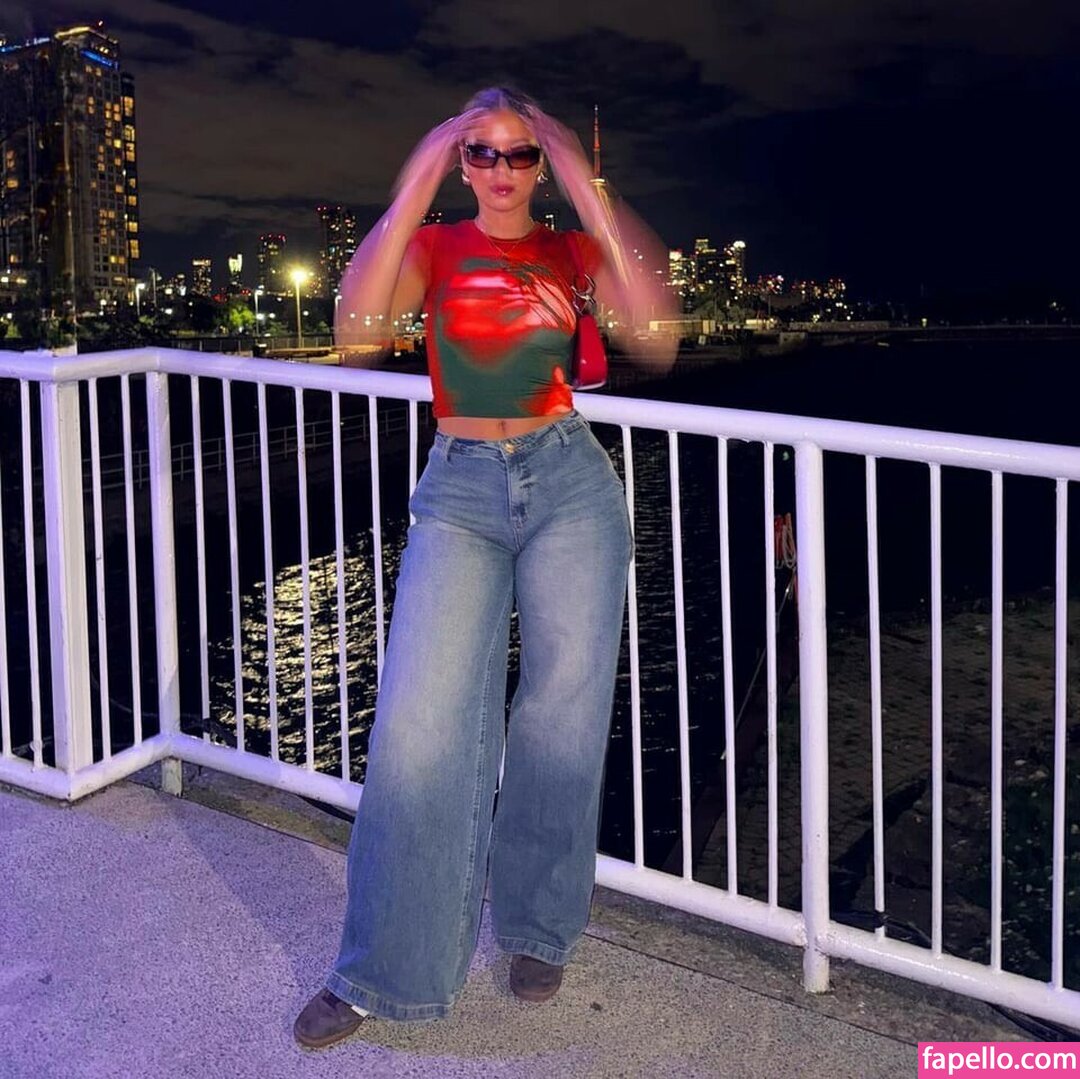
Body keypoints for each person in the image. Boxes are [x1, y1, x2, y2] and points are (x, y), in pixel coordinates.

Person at [294, 86, 676, 1050]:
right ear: (461, 164)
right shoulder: (434, 246)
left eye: (519, 153)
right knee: (419, 725)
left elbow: (656, 332)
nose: (501, 169)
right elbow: (356, 332)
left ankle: (539, 925)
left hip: (568, 479)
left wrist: (581, 171)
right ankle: (384, 966)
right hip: (461, 483)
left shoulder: (569, 249)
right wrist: (418, 169)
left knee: (560, 714)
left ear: (539, 166)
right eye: (481, 152)